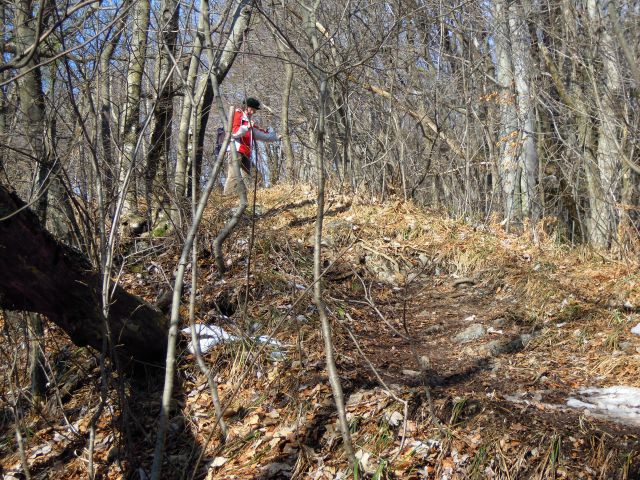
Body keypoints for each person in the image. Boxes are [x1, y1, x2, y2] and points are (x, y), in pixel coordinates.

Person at [223, 97, 279, 195]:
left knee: (252, 175)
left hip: (246, 152)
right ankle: (227, 197)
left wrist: (275, 137)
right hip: (235, 150)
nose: (253, 112)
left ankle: (251, 195)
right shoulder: (237, 113)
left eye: (255, 111)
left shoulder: (247, 120)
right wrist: (246, 127)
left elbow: (259, 133)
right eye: (252, 109)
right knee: (234, 175)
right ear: (247, 107)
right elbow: (234, 132)